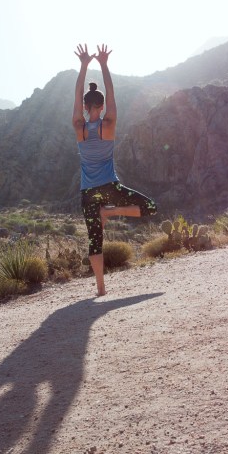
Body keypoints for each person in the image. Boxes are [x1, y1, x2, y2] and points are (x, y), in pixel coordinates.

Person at [72, 43, 157, 296]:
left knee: (94, 239)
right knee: (150, 206)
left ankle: (100, 288)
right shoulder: (109, 124)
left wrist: (84, 65)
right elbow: (111, 94)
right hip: (110, 187)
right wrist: (104, 64)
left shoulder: (80, 128)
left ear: (86, 108)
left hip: (88, 192)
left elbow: (77, 95)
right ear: (101, 107)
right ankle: (111, 212)